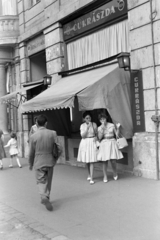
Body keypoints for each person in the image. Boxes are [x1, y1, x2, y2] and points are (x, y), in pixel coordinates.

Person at [28, 114, 61, 211]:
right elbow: (59, 148)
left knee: (40, 181)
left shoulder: (33, 136)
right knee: (48, 180)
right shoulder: (53, 133)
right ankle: (47, 196)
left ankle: (44, 196)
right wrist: (56, 158)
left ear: (37, 123)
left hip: (38, 161)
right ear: (46, 123)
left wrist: (30, 163)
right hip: (50, 161)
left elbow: (31, 153)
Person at [97, 113, 123, 183]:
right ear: (99, 120)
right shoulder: (99, 127)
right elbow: (99, 138)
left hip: (112, 142)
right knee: (104, 161)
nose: (103, 120)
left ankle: (114, 172)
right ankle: (105, 176)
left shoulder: (111, 125)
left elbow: (117, 135)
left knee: (113, 160)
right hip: (104, 143)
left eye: (104, 119)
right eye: (101, 119)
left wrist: (118, 128)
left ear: (106, 118)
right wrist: (102, 128)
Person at [77, 111, 98, 185]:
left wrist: (94, 130)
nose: (88, 119)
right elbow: (83, 135)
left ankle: (91, 178)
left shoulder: (94, 124)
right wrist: (87, 128)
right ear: (84, 119)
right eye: (87, 118)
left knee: (91, 160)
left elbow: (96, 133)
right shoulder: (82, 126)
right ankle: (89, 174)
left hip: (92, 141)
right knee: (87, 160)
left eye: (89, 118)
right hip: (85, 142)